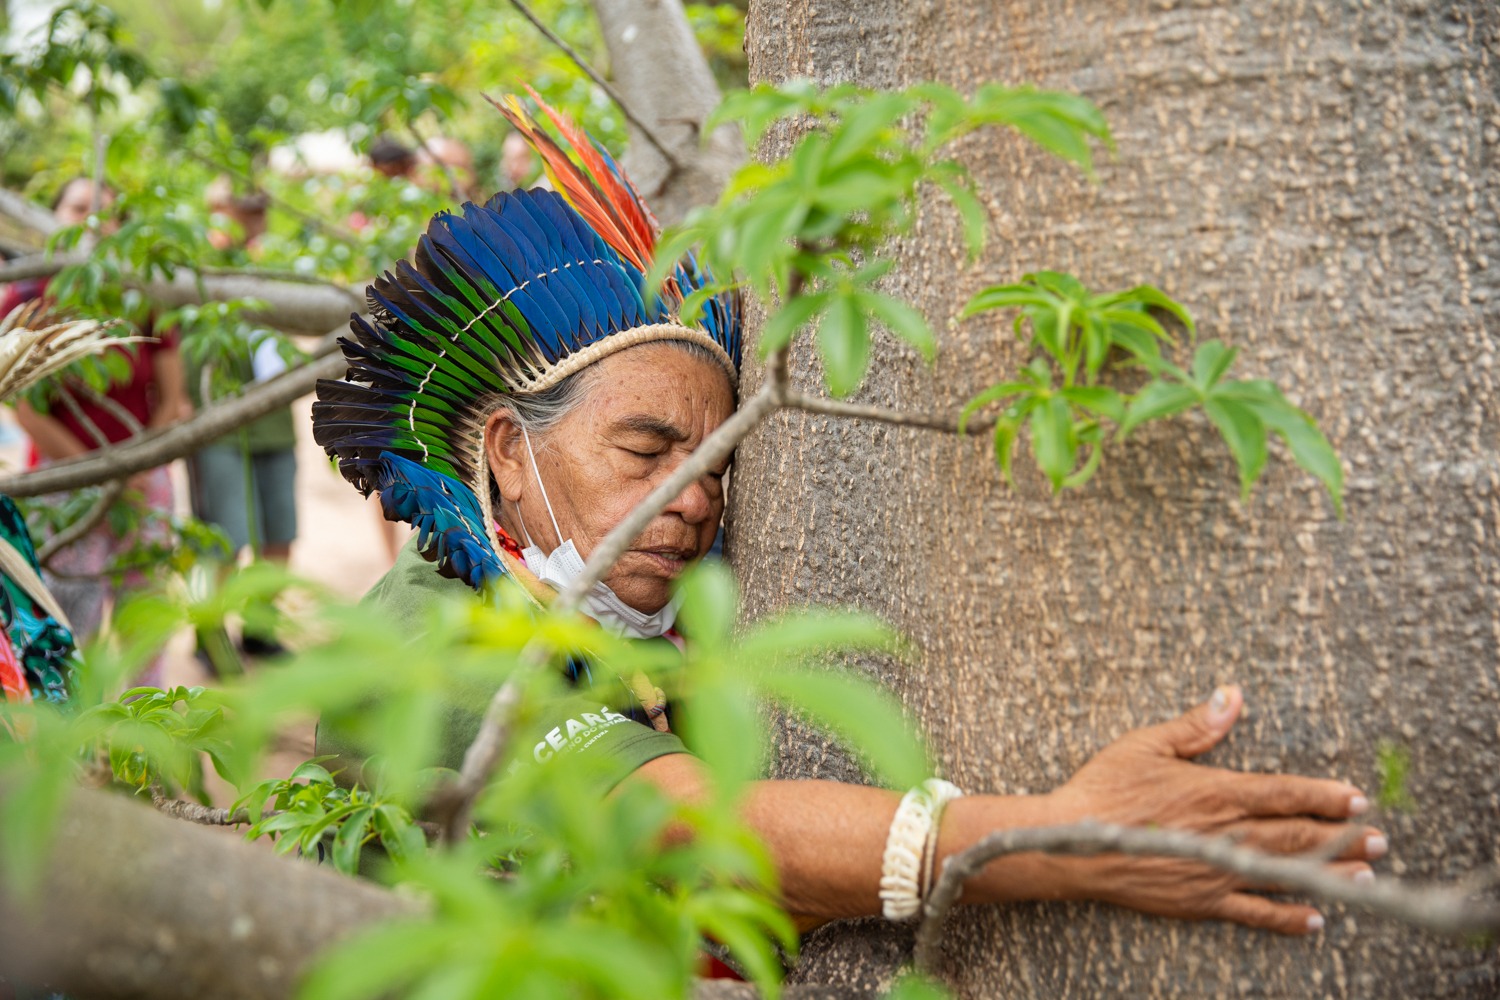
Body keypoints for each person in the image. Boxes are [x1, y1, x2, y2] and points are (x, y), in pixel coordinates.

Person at [310, 99, 1383, 938]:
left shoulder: (672, 627)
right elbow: (684, 821)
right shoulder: (424, 644)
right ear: (506, 449)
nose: (696, 499)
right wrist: (1058, 843)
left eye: (722, 461)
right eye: (645, 451)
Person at [5, 177, 191, 684]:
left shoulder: (144, 296)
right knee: (69, 622)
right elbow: (24, 409)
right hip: (62, 485)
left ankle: (142, 741)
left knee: (144, 619)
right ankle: (72, 752)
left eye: (104, 213)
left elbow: (172, 398)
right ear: (51, 219)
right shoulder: (29, 301)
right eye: (77, 208)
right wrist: (99, 472)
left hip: (144, 480)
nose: (91, 222)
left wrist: (135, 465)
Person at [188, 179, 298, 661]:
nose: (250, 222)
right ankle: (208, 636)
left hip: (272, 418)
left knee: (280, 532)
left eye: (257, 213)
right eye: (240, 211)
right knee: (223, 537)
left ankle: (259, 628)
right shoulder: (192, 267)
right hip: (218, 421)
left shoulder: (276, 266)